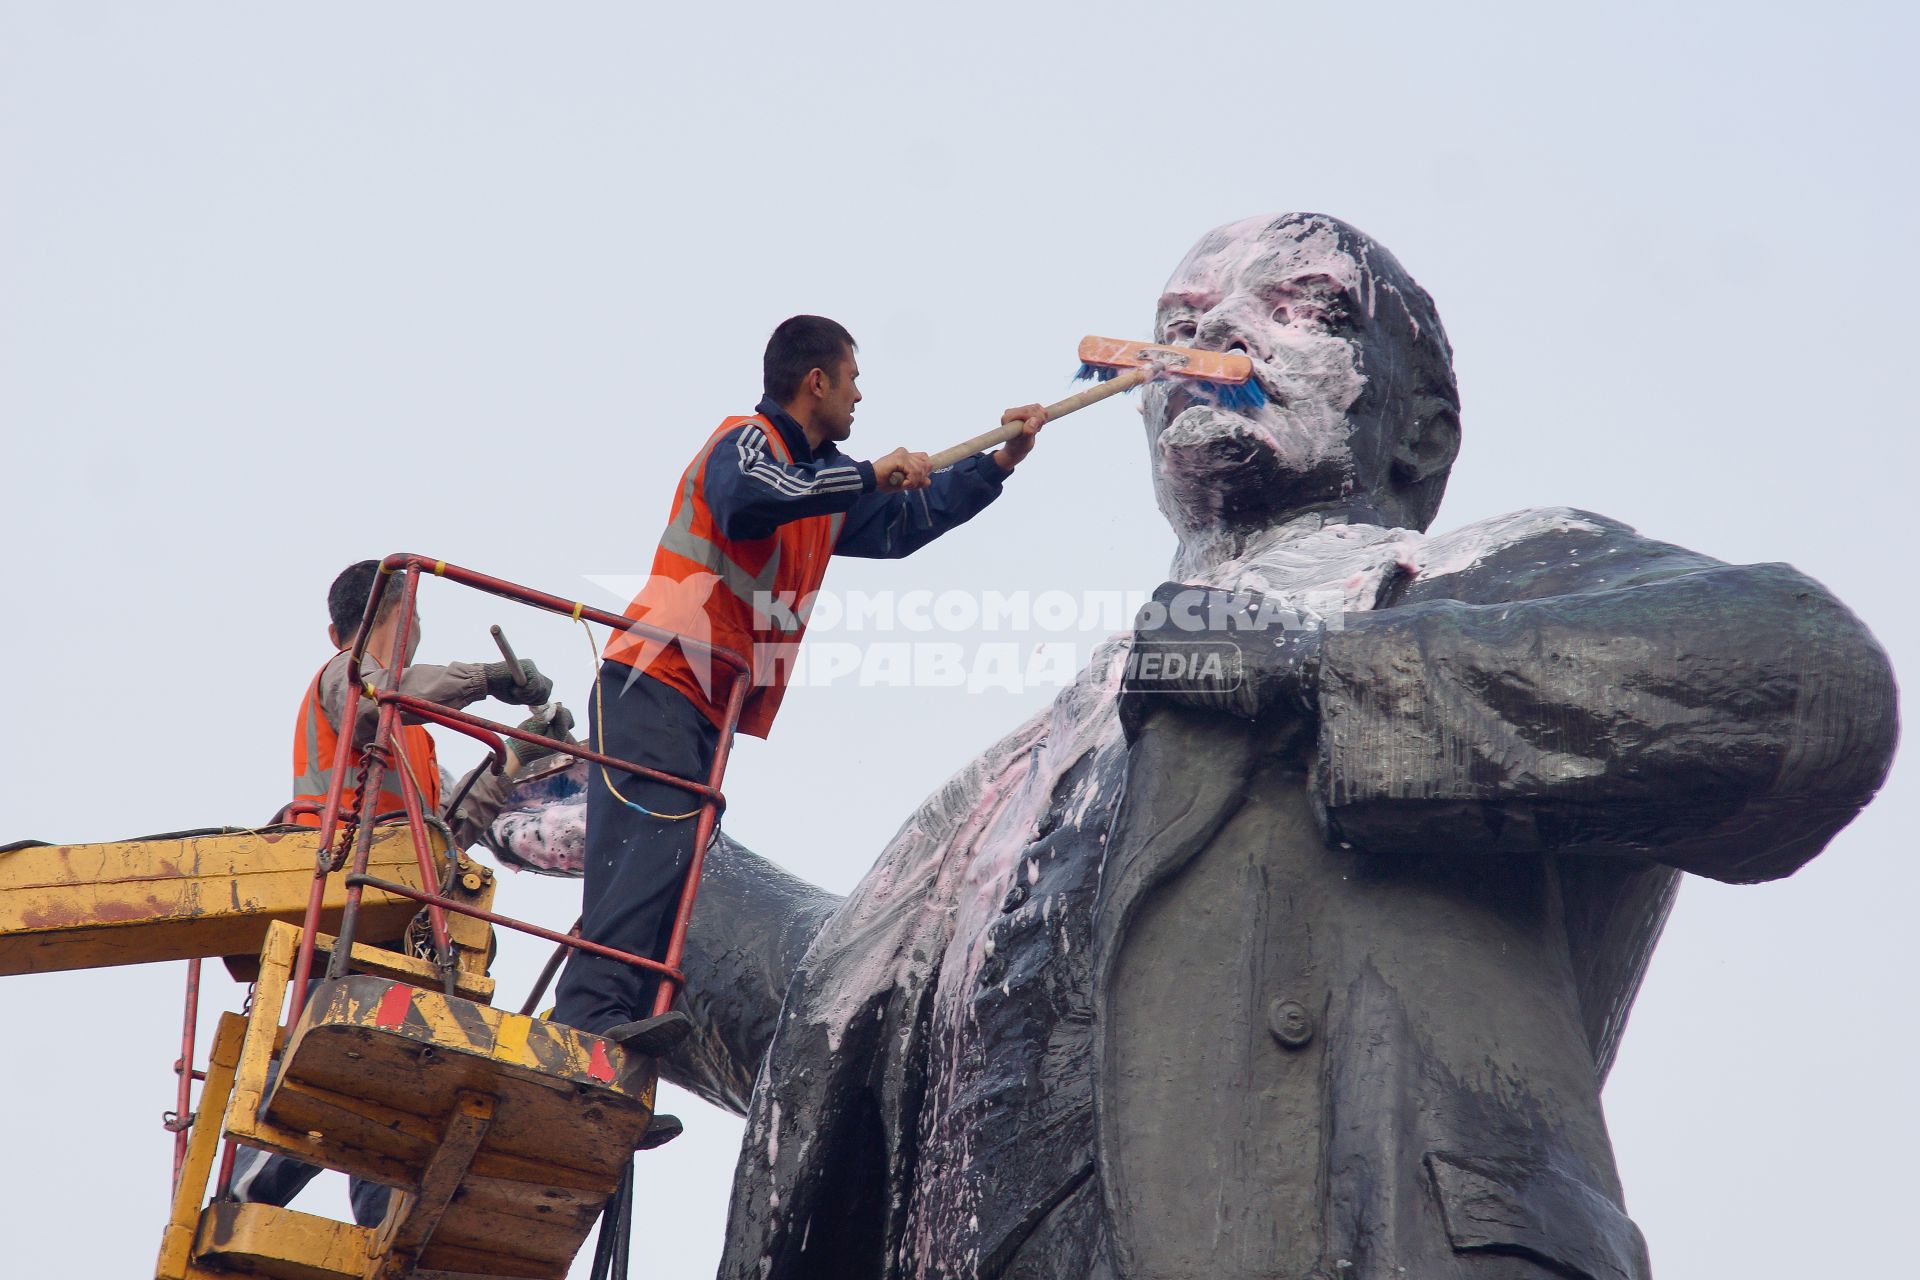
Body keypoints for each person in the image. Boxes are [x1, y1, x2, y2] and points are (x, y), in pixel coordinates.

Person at [639, 217, 1894, 1279]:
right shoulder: (1025, 771)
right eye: (1184, 312)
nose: (1217, 333)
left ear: (1421, 434)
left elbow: (1801, 682)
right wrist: (624, 823)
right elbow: (863, 1053)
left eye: (1296, 306)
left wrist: (1310, 679)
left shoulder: (1485, 581)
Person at [549, 315, 1046, 1045]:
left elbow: (904, 522)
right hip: (654, 678)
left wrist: (1000, 462)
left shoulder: (818, 491)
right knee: (649, 852)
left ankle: (614, 1022)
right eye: (852, 378)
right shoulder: (746, 442)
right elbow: (751, 496)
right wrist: (869, 472)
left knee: (675, 864)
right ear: (817, 381)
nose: (860, 397)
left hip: (701, 702)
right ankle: (590, 1023)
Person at [236, 558, 564, 1227]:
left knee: (384, 1086)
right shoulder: (348, 677)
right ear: (405, 614)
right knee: (329, 1055)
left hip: (404, 919)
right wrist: (490, 679)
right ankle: (245, 1191)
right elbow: (380, 699)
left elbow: (448, 836)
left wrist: (516, 758)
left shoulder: (411, 738)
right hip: (342, 901)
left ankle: (382, 1223)